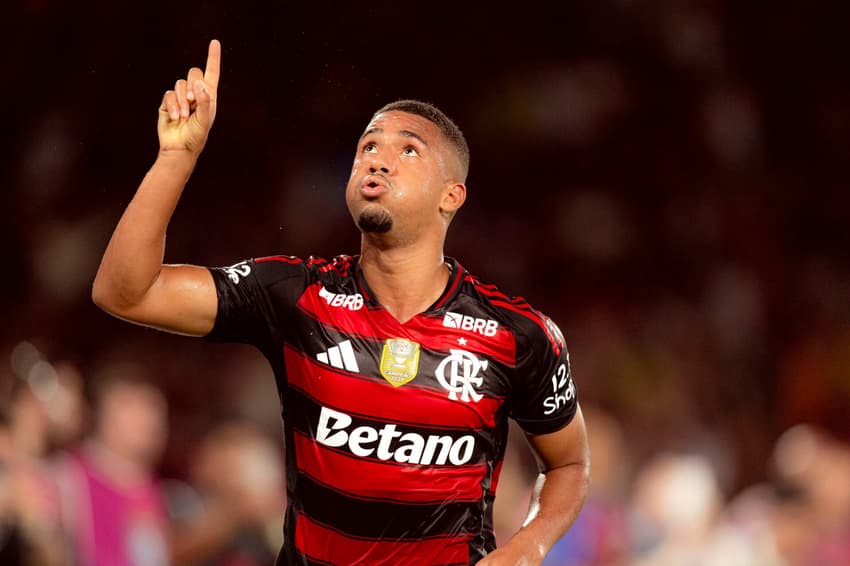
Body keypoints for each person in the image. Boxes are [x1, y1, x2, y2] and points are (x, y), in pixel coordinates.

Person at [92, 39, 590, 565]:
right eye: (367, 146)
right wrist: (175, 158)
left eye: (408, 149)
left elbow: (569, 467)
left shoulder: (518, 334)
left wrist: (529, 545)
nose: (378, 159)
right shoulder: (296, 295)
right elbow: (126, 291)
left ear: (452, 195)